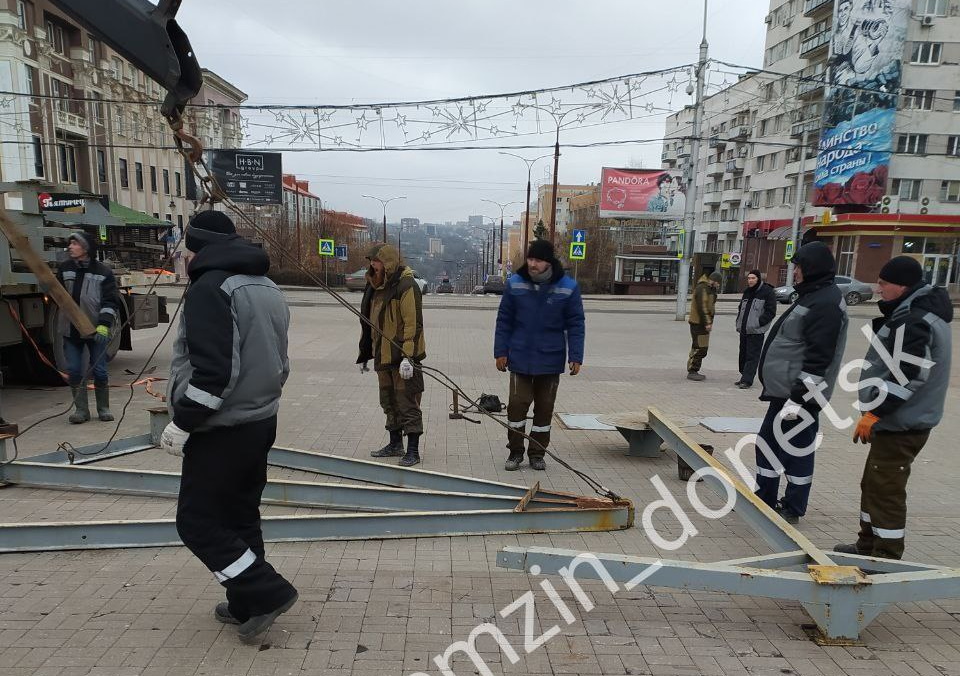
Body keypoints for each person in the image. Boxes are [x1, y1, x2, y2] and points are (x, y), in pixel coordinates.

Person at [160, 211, 298, 645]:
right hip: (260, 421)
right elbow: (282, 361)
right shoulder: (266, 285)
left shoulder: (209, 288)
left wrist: (183, 422)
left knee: (197, 522)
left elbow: (214, 373)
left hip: (221, 427)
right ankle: (244, 602)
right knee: (239, 515)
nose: (183, 257)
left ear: (195, 249)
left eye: (184, 249)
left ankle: (266, 591)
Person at [835, 256, 952, 560]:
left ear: (902, 286)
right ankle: (867, 546)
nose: (878, 288)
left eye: (884, 283)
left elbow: (910, 375)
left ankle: (885, 558)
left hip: (902, 424)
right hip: (896, 422)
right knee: (872, 485)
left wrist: (877, 411)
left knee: (885, 491)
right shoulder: (911, 313)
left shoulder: (915, 319)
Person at [754, 241, 848, 524]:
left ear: (812, 269)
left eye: (798, 267)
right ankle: (764, 497)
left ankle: (792, 507)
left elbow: (819, 359)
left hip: (800, 398)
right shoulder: (812, 295)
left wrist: (798, 397)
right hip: (786, 394)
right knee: (767, 445)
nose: (794, 272)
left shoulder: (826, 303)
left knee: (796, 453)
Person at [494, 239, 585, 472]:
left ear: (548, 262)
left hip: (551, 358)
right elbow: (504, 320)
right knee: (517, 405)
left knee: (544, 408)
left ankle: (537, 453)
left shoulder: (568, 287)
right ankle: (515, 452)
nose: (532, 264)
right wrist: (500, 351)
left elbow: (576, 324)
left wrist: (576, 356)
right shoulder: (515, 284)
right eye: (530, 259)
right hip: (520, 356)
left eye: (538, 260)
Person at [356, 243, 427, 467]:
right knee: (389, 402)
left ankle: (413, 450)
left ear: (387, 262)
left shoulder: (406, 285)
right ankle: (395, 443)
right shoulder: (375, 286)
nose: (372, 266)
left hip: (403, 358)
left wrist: (409, 356)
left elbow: (412, 324)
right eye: (371, 262)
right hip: (382, 356)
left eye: (375, 261)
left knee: (407, 402)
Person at [57, 231, 120, 424]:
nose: (70, 247)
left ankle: (103, 408)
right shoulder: (65, 269)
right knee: (75, 370)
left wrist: (103, 325)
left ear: (85, 248)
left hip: (96, 330)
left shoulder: (103, 272)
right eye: (70, 244)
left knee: (100, 371)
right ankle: (81, 410)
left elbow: (111, 301)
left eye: (74, 243)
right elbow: (57, 293)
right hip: (70, 330)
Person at [734, 269, 777, 389]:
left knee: (752, 356)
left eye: (753, 278)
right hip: (744, 329)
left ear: (758, 279)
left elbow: (770, 311)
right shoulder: (747, 292)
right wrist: (738, 322)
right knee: (743, 354)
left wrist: (758, 323)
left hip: (756, 331)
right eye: (749, 278)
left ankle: (747, 380)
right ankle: (744, 376)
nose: (750, 280)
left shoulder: (767, 292)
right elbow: (740, 308)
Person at [686, 271, 722, 381]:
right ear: (714, 281)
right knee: (699, 347)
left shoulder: (709, 289)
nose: (719, 285)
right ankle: (692, 370)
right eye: (718, 283)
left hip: (702, 323)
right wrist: (707, 322)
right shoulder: (703, 288)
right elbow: (703, 307)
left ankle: (693, 369)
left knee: (700, 347)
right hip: (699, 323)